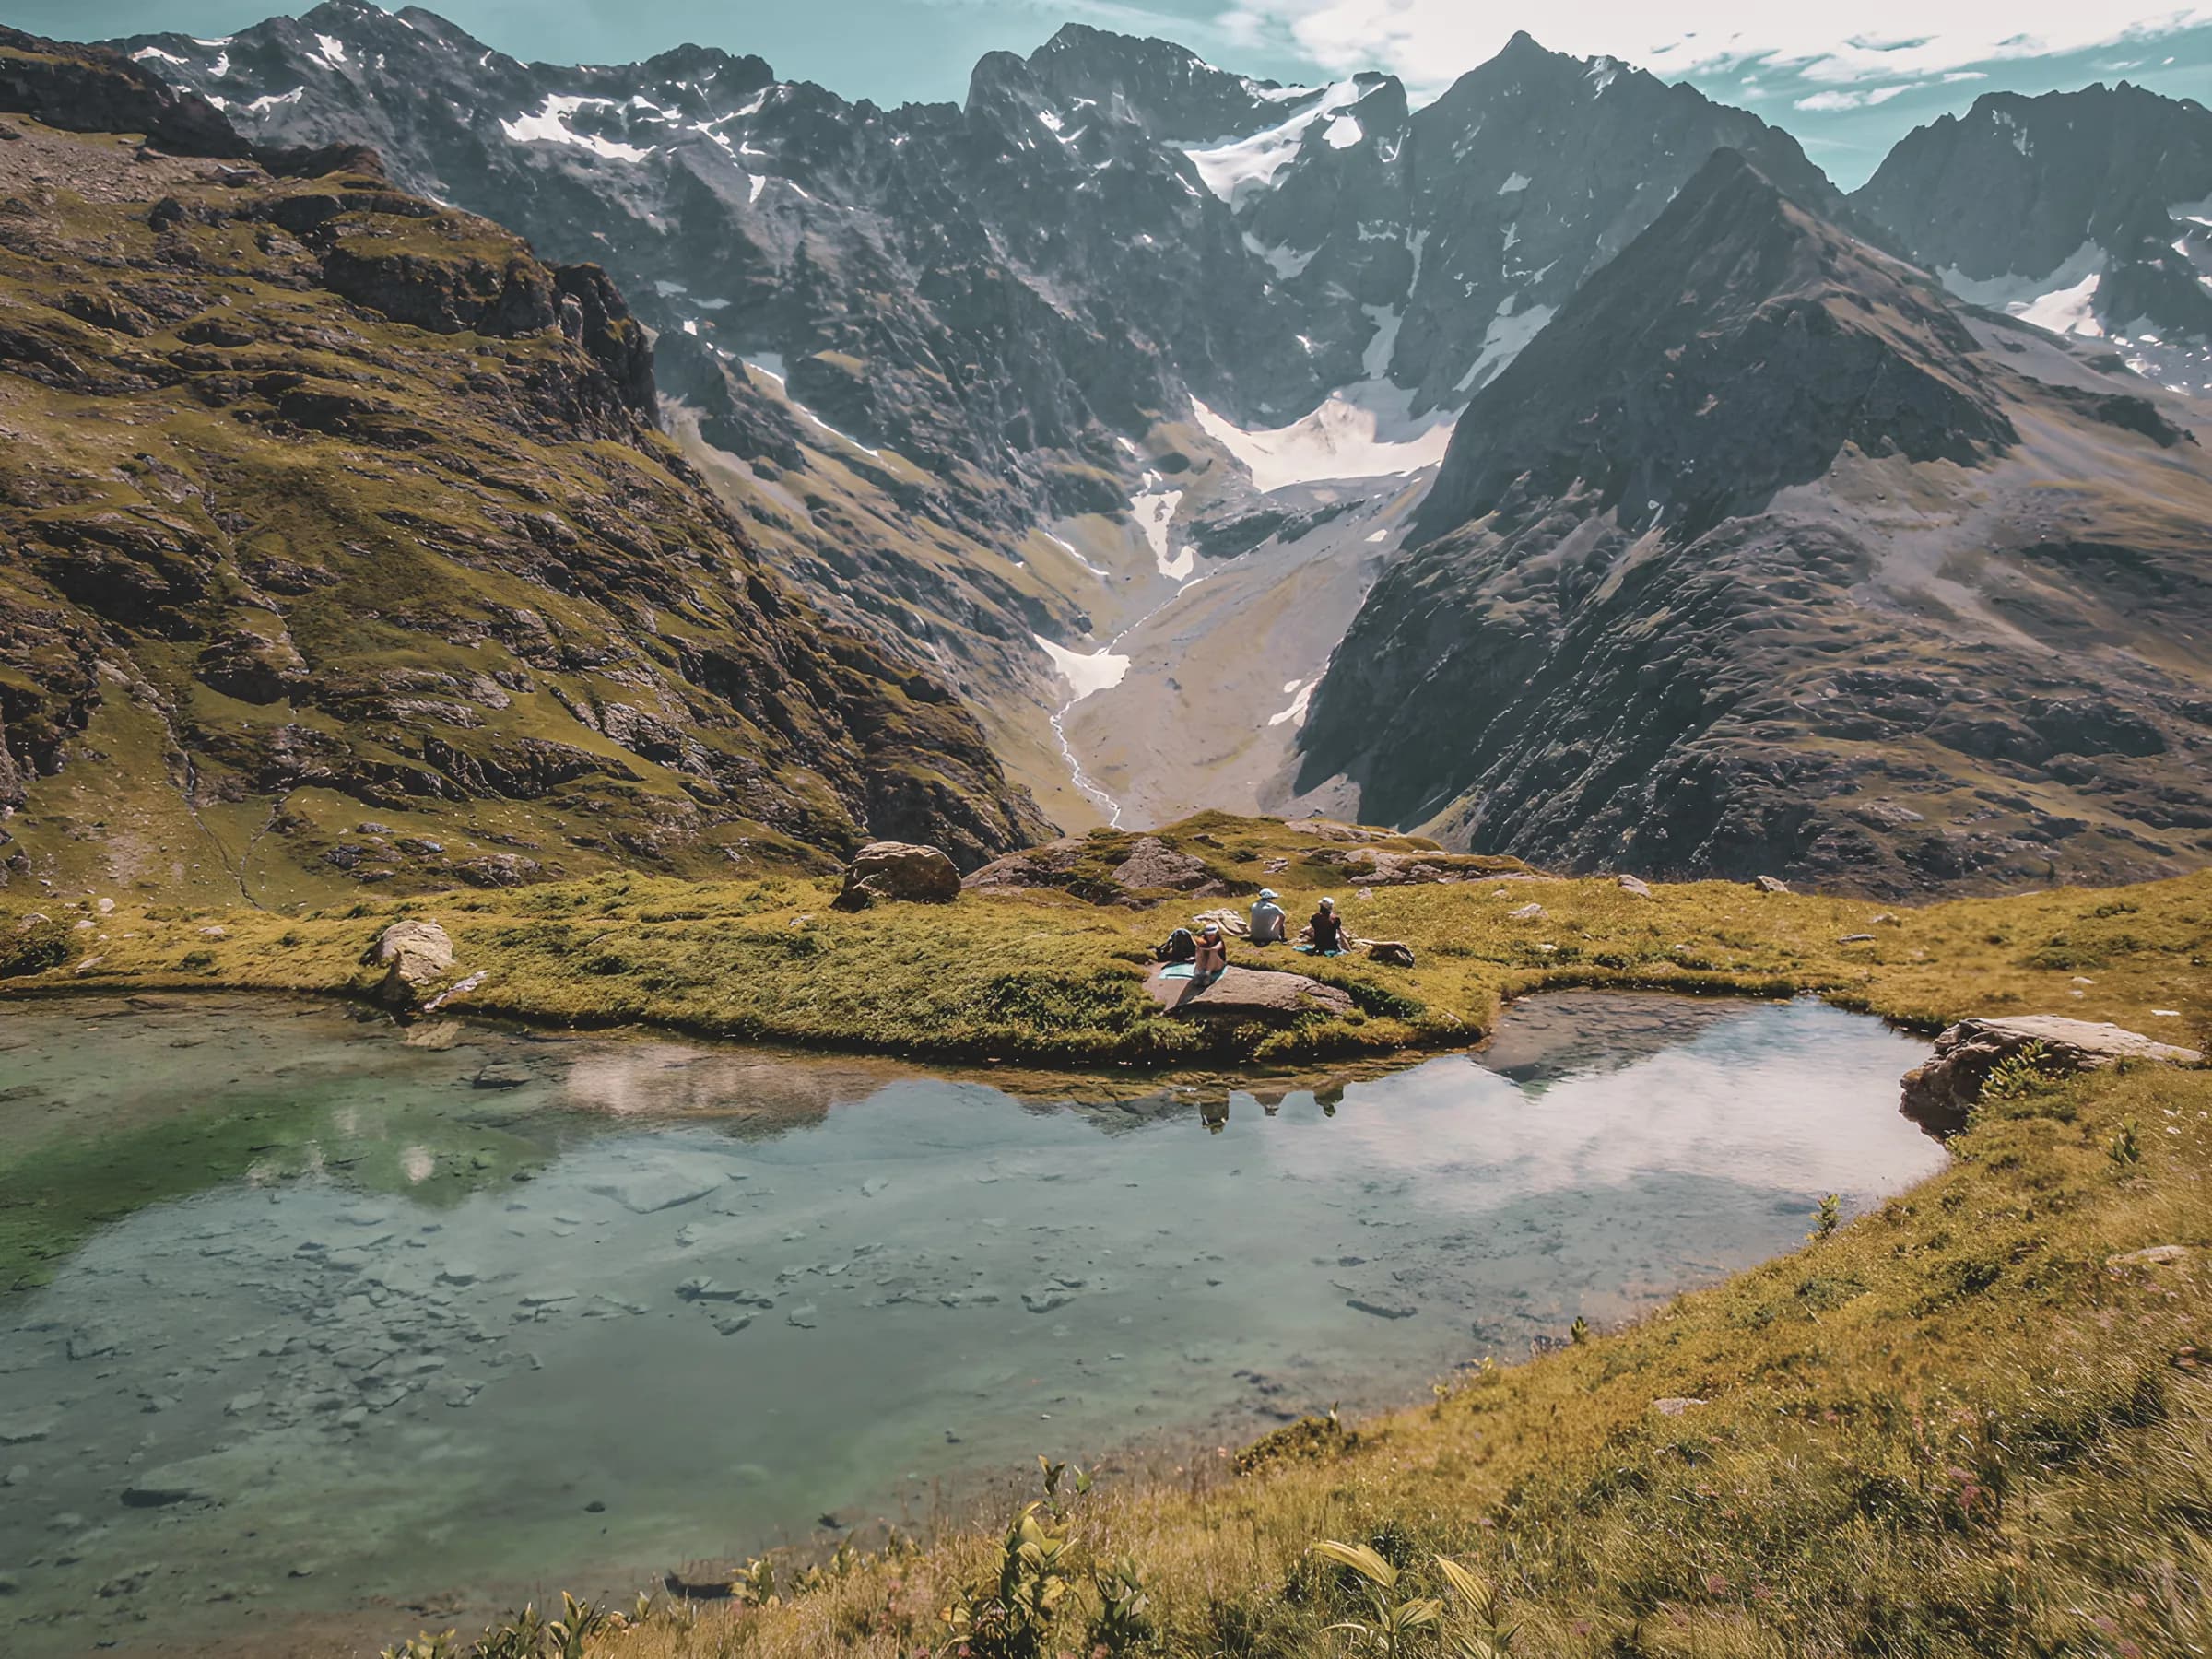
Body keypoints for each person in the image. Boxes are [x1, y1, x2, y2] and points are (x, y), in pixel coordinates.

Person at [1192, 922, 1229, 986]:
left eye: (1212, 935)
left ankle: (1207, 974)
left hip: (1218, 964)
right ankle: (1198, 973)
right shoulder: (1203, 940)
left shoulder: (1219, 941)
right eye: (1208, 935)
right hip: (1205, 963)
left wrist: (1208, 949)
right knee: (1199, 951)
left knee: (1213, 952)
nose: (1210, 937)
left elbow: (1216, 948)